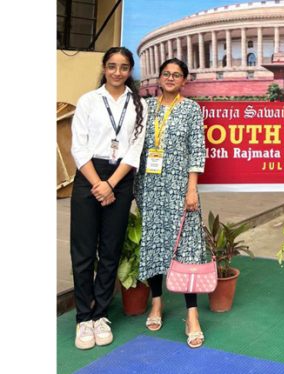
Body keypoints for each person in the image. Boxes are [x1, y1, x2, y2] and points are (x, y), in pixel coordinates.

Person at [70, 47, 147, 349]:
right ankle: (82, 318)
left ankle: (100, 314)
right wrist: (98, 184)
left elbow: (134, 149)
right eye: (112, 66)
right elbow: (79, 147)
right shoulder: (88, 101)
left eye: (124, 67)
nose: (117, 72)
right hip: (89, 175)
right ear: (103, 68)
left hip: (120, 177)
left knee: (110, 250)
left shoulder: (139, 103)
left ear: (130, 70)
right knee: (84, 251)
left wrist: (111, 184)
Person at [134, 58, 207, 349]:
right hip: (150, 187)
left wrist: (192, 189)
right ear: (159, 77)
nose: (170, 78)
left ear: (184, 80)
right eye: (166, 73)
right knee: (153, 243)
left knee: (187, 249)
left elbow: (197, 150)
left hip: (180, 189)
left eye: (176, 75)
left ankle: (192, 315)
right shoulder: (145, 107)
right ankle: (156, 303)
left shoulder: (191, 109)